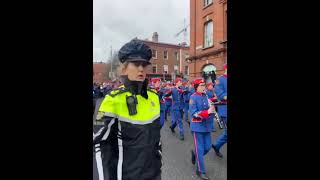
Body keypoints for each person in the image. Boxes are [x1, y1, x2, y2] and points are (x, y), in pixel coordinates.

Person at [93, 39, 162, 180]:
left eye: (144, 65)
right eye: (136, 64)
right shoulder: (112, 100)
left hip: (154, 174)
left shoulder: (154, 97)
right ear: (124, 67)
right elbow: (98, 144)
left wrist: (159, 160)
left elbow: (157, 139)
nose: (141, 69)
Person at [189, 78, 216, 180]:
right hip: (197, 126)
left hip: (207, 126)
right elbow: (193, 113)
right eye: (201, 85)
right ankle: (201, 171)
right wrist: (207, 112)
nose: (203, 87)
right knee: (200, 149)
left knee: (208, 147)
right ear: (196, 87)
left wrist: (215, 105)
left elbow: (211, 103)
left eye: (204, 85)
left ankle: (194, 154)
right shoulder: (193, 97)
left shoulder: (206, 95)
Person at [212, 63, 227, 158]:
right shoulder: (219, 80)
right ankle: (216, 146)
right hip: (225, 110)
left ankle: (216, 145)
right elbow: (221, 95)